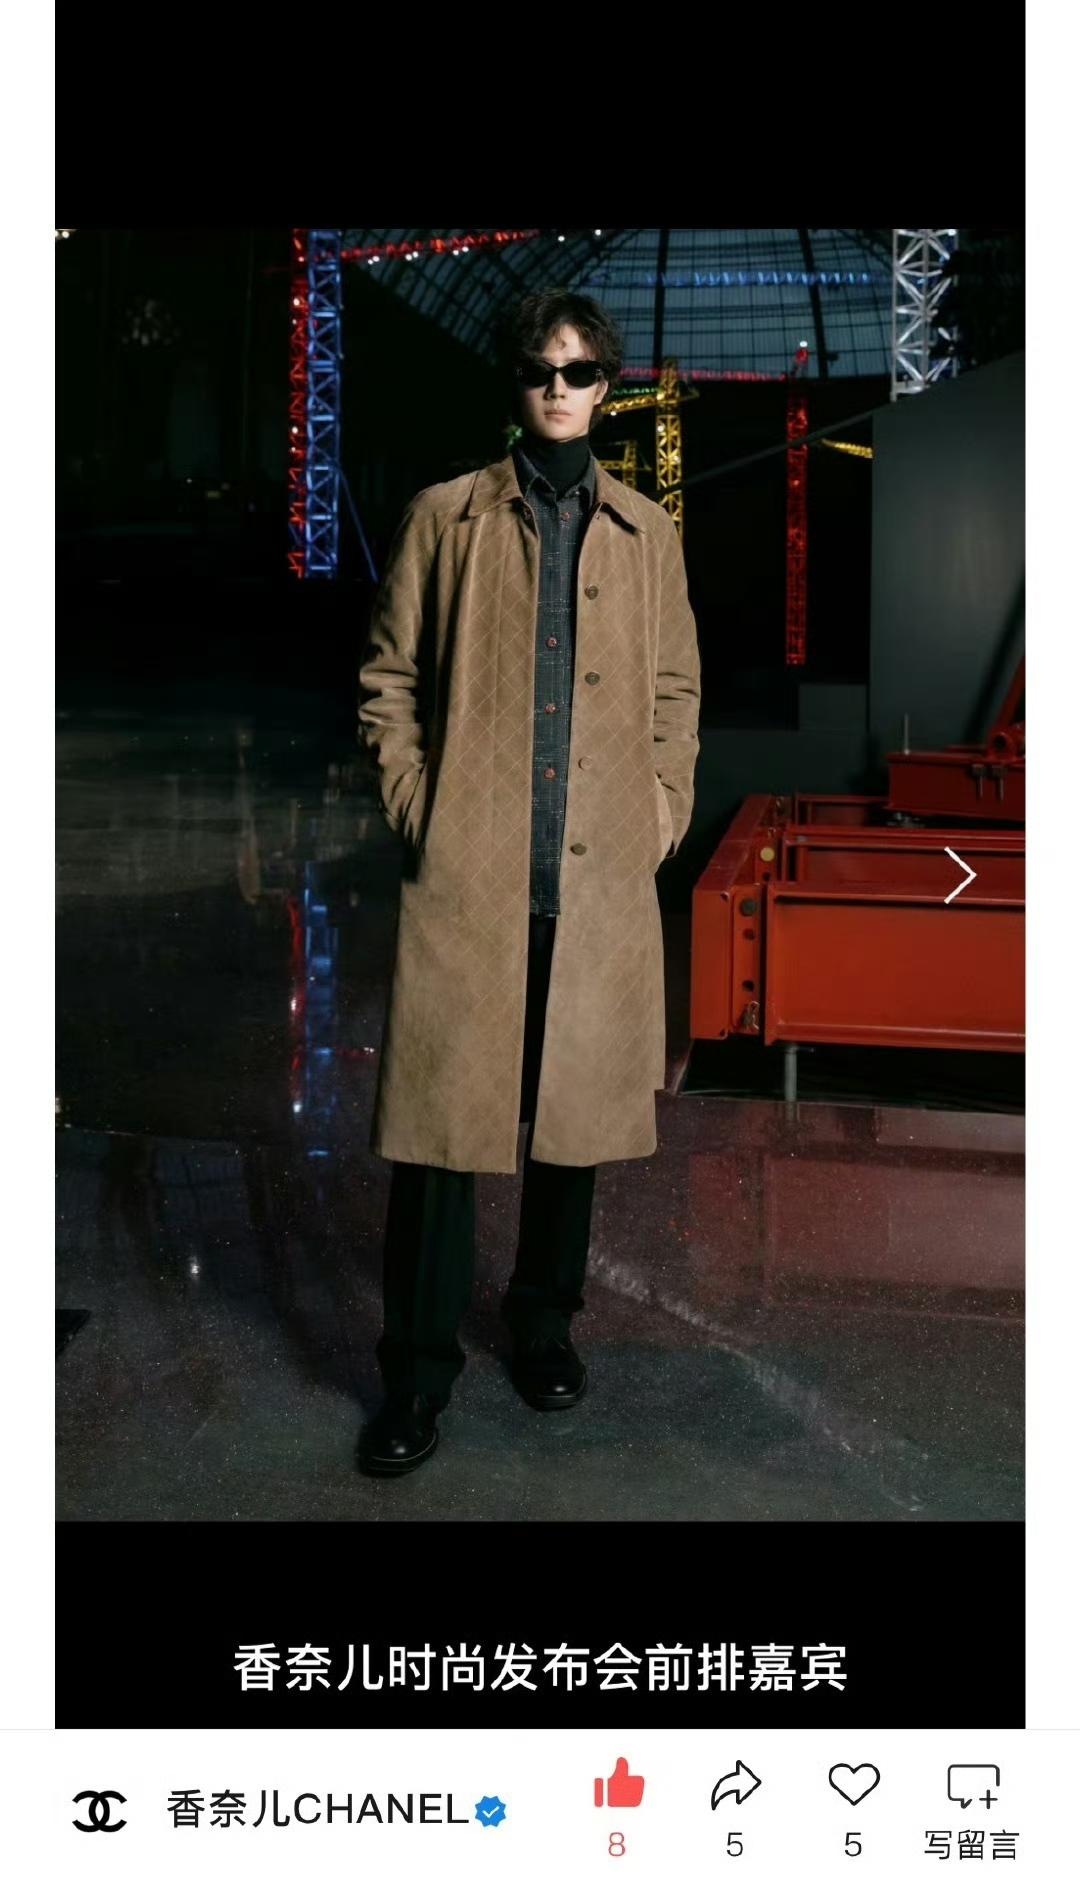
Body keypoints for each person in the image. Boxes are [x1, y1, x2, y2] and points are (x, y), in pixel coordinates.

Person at [355, 286, 701, 1476]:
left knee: (572, 1118)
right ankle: (414, 1376)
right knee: (441, 1135)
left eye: (580, 371)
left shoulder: (648, 535)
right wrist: (419, 808)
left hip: (596, 871)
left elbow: (675, 691)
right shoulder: (444, 518)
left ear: (608, 387)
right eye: (541, 370)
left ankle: (545, 1323)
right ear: (516, 384)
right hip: (472, 872)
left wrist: (662, 811)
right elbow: (388, 680)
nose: (560, 389)